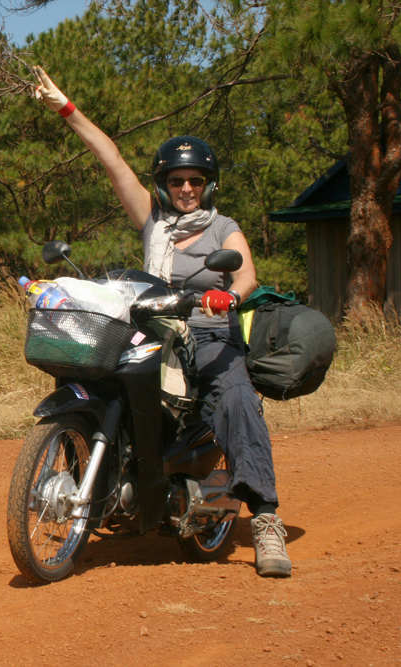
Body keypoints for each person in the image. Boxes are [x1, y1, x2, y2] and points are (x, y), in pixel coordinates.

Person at [31, 66, 292, 577]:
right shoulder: (154, 221)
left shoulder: (223, 228)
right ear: (164, 184)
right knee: (92, 371)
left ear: (209, 184)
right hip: (154, 327)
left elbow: (245, 276)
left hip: (210, 335)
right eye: (178, 180)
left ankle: (265, 519)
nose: (187, 188)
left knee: (236, 398)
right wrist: (66, 107)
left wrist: (228, 299)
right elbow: (110, 158)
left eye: (196, 180)